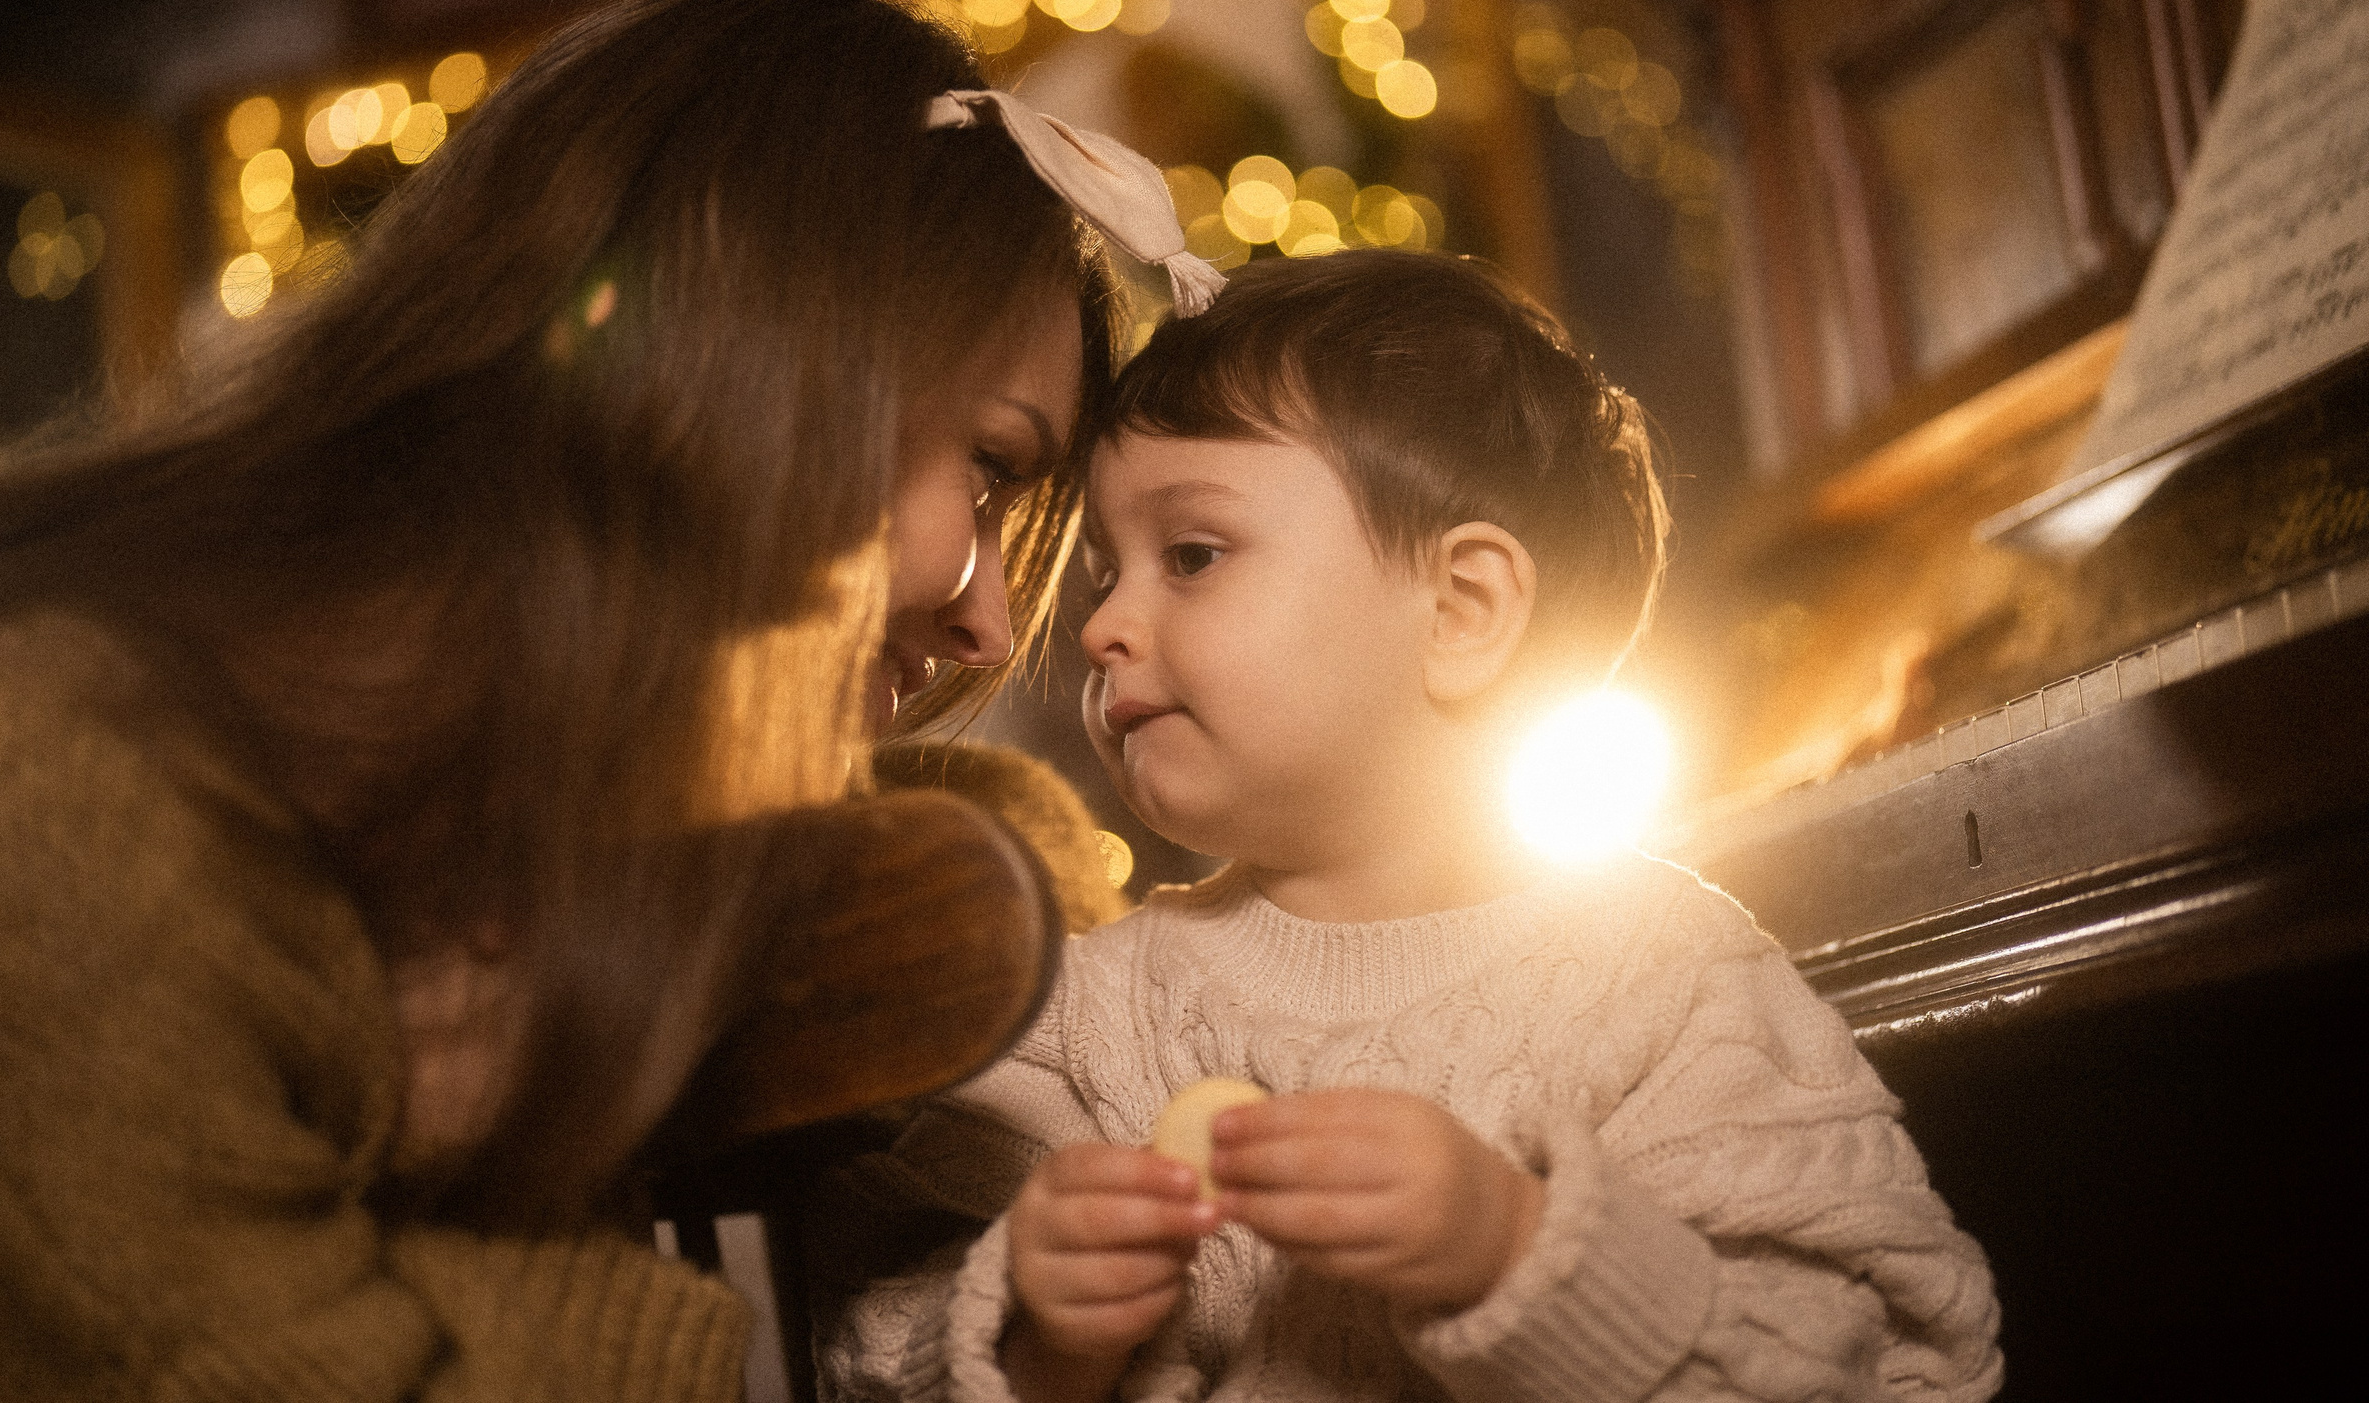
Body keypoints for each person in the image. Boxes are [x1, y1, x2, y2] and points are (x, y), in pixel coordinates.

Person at [0, 0, 1169, 1399]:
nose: (993, 628)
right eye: (990, 469)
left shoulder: (570, 839)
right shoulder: (36, 791)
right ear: (747, 369)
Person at [825, 251, 2003, 1402]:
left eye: (1190, 556)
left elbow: (1870, 1369)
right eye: (1101, 575)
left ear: (1462, 609)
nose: (1100, 628)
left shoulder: (1676, 991)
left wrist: (1514, 1248)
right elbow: (865, 1359)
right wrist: (1043, 1347)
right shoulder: (1083, 1030)